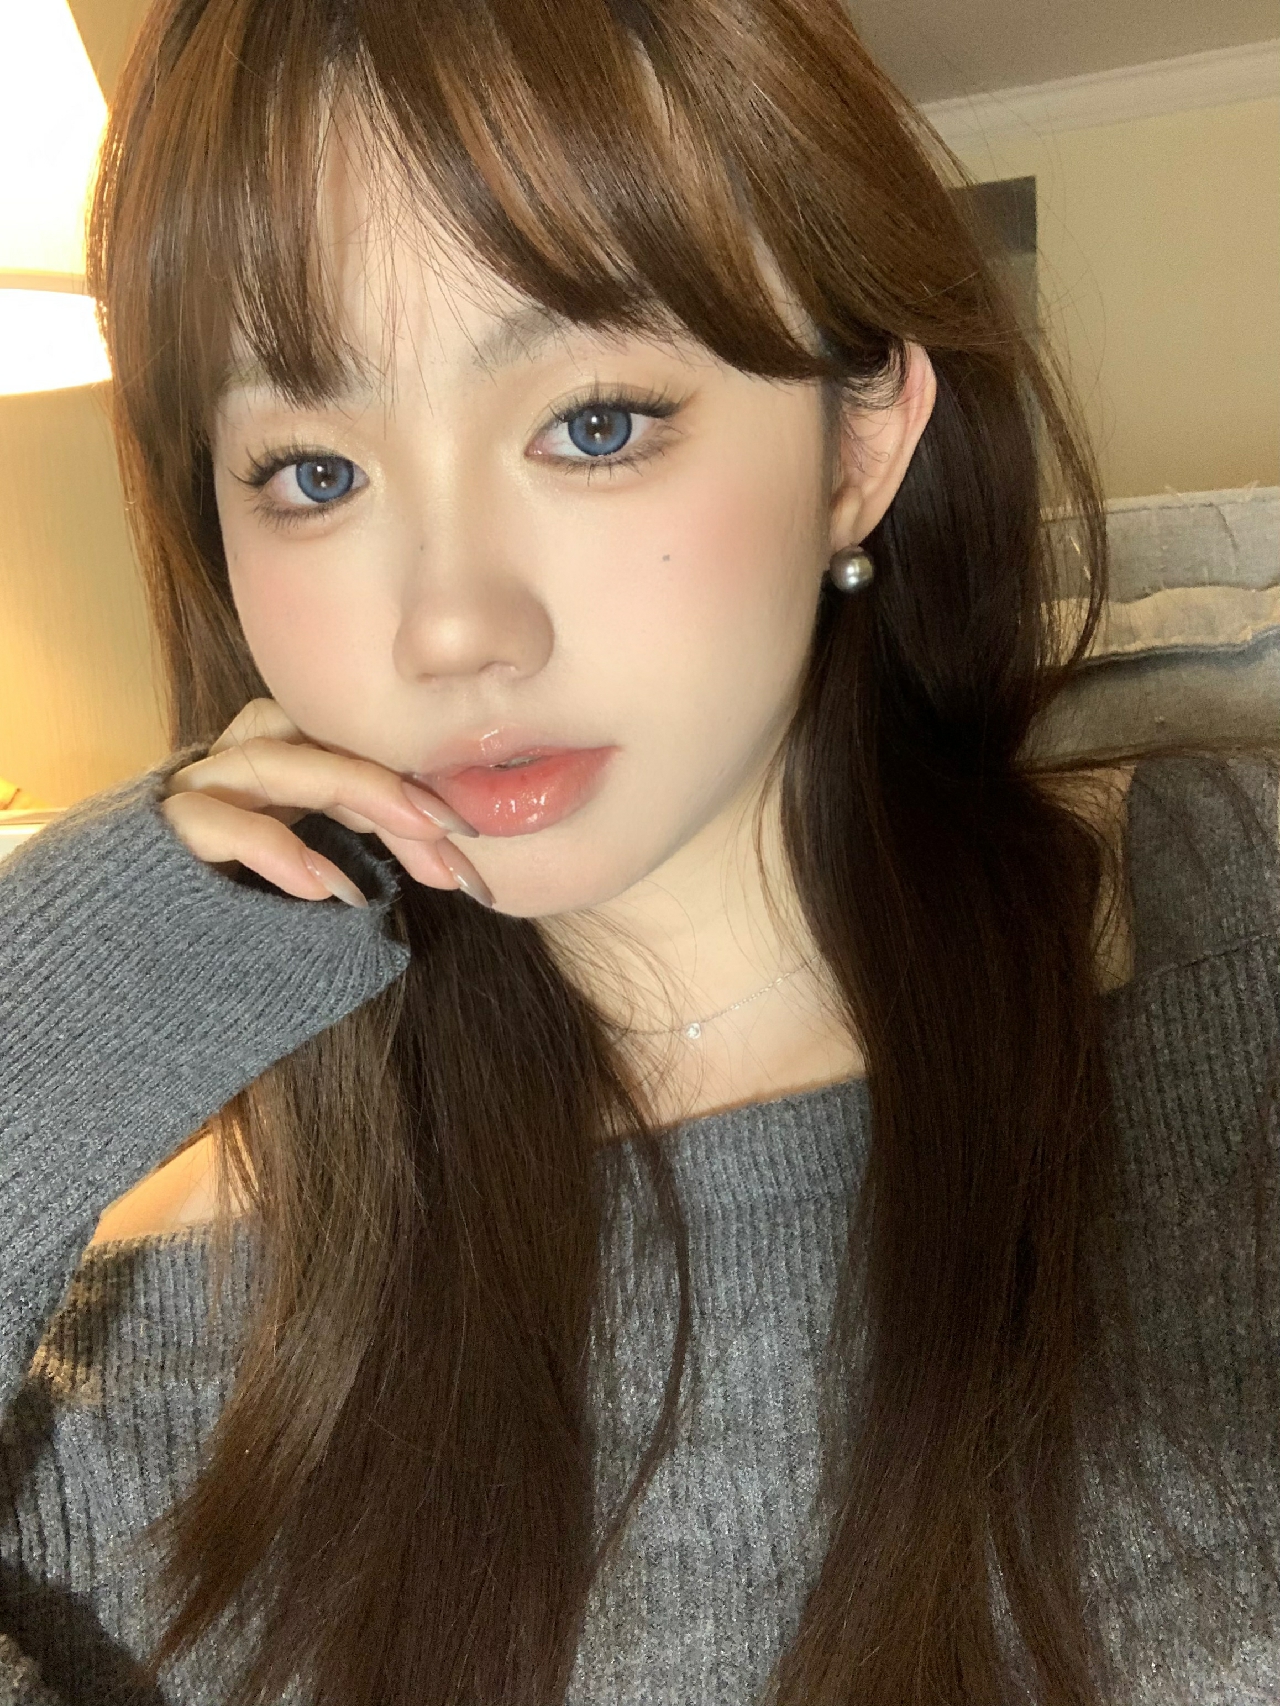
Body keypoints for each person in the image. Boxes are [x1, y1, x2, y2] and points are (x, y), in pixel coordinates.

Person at [1, 0, 1277, 1701]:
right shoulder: (158, 1321)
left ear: (859, 441)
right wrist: (49, 1017)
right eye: (311, 471)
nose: (452, 625)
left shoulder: (1234, 942)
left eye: (594, 424)